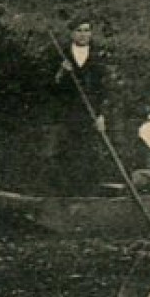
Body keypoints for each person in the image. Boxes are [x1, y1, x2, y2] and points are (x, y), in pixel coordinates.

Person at [42, 15, 111, 194]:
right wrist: (61, 72)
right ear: (72, 33)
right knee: (65, 153)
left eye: (86, 30)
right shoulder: (60, 55)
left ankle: (88, 193)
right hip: (66, 114)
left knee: (89, 154)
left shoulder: (97, 56)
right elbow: (49, 88)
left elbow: (102, 89)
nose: (83, 34)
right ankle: (67, 194)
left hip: (89, 114)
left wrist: (101, 115)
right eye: (79, 30)